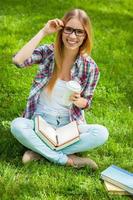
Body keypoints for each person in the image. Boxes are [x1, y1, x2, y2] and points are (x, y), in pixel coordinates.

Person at [11, 8, 109, 170]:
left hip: (68, 124)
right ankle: (67, 160)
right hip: (40, 120)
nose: (72, 36)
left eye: (79, 32)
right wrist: (44, 31)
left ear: (85, 36)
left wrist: (79, 101)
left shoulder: (90, 67)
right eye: (69, 30)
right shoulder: (48, 53)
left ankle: (39, 151)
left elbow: (87, 102)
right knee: (17, 125)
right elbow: (18, 61)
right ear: (62, 30)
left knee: (101, 133)